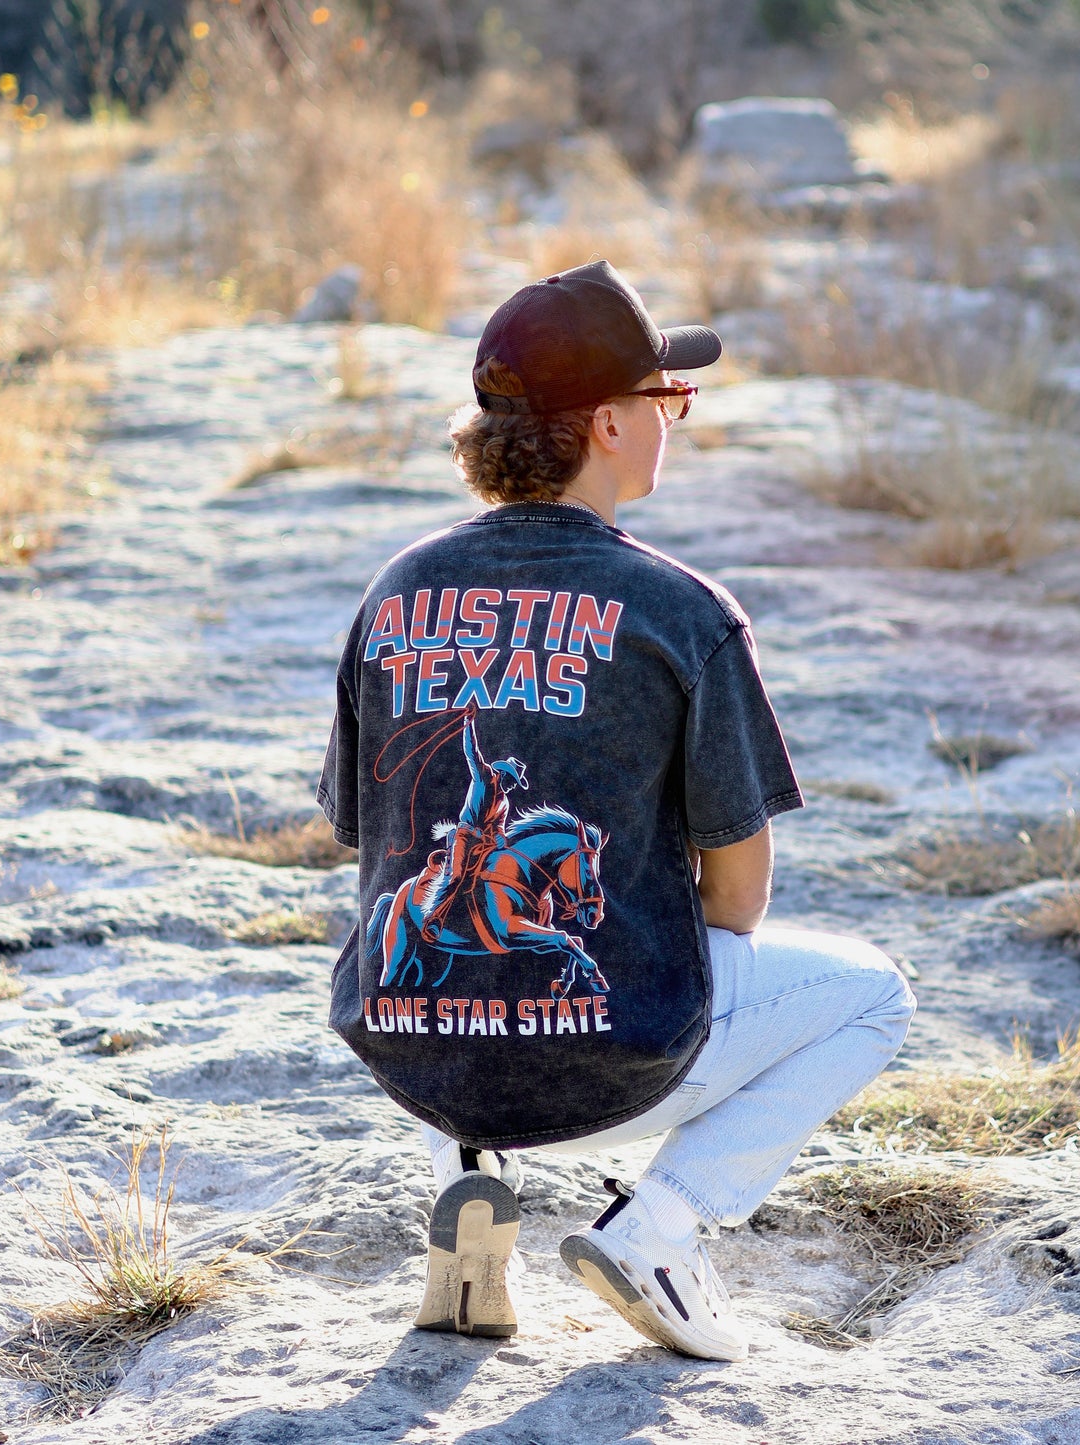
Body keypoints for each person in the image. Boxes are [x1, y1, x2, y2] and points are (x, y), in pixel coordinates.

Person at [317, 259, 915, 1362]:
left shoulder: (393, 590)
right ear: (604, 422)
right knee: (871, 995)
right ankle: (659, 1227)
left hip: (410, 1055)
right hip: (609, 1065)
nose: (674, 417)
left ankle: (469, 1185)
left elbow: (366, 836)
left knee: (441, 933)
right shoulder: (680, 609)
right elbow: (736, 896)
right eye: (666, 396)